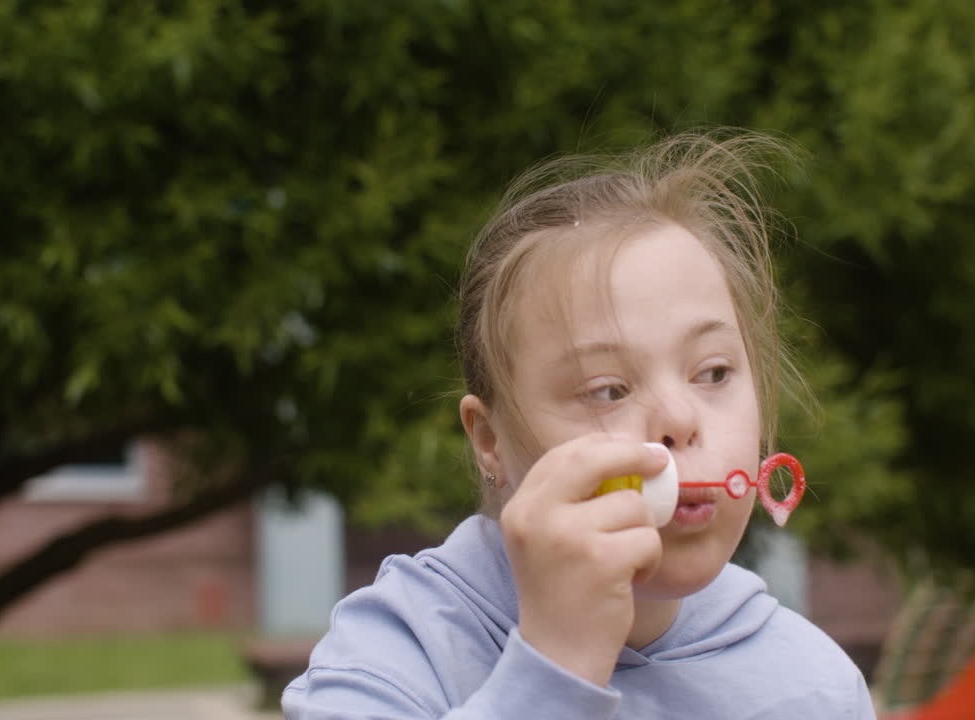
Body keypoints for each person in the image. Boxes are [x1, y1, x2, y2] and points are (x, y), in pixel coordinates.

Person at [282, 131, 876, 718]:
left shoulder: (813, 687)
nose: (678, 419)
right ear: (490, 441)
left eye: (714, 373)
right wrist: (554, 668)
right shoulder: (393, 662)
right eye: (608, 390)